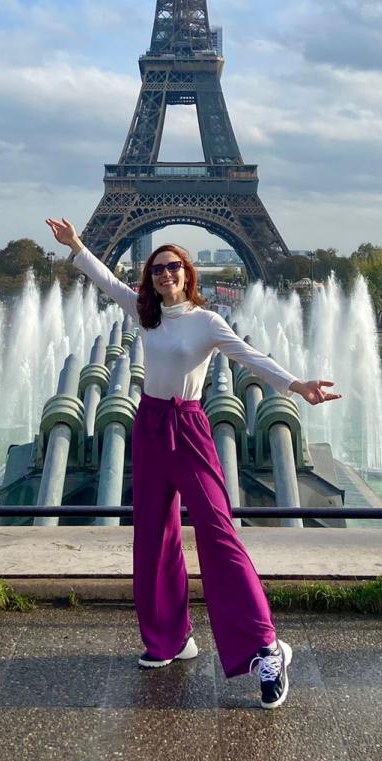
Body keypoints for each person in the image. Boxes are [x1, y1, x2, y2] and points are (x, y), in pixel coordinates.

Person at [46, 217, 342, 711]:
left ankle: (265, 648)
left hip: (188, 425)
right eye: (157, 269)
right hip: (148, 423)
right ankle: (169, 639)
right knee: (153, 533)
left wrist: (298, 386)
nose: (165, 275)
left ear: (187, 274)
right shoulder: (145, 314)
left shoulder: (206, 322)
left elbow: (250, 357)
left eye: (173, 268)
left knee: (218, 532)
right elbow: (104, 279)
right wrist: (76, 245)